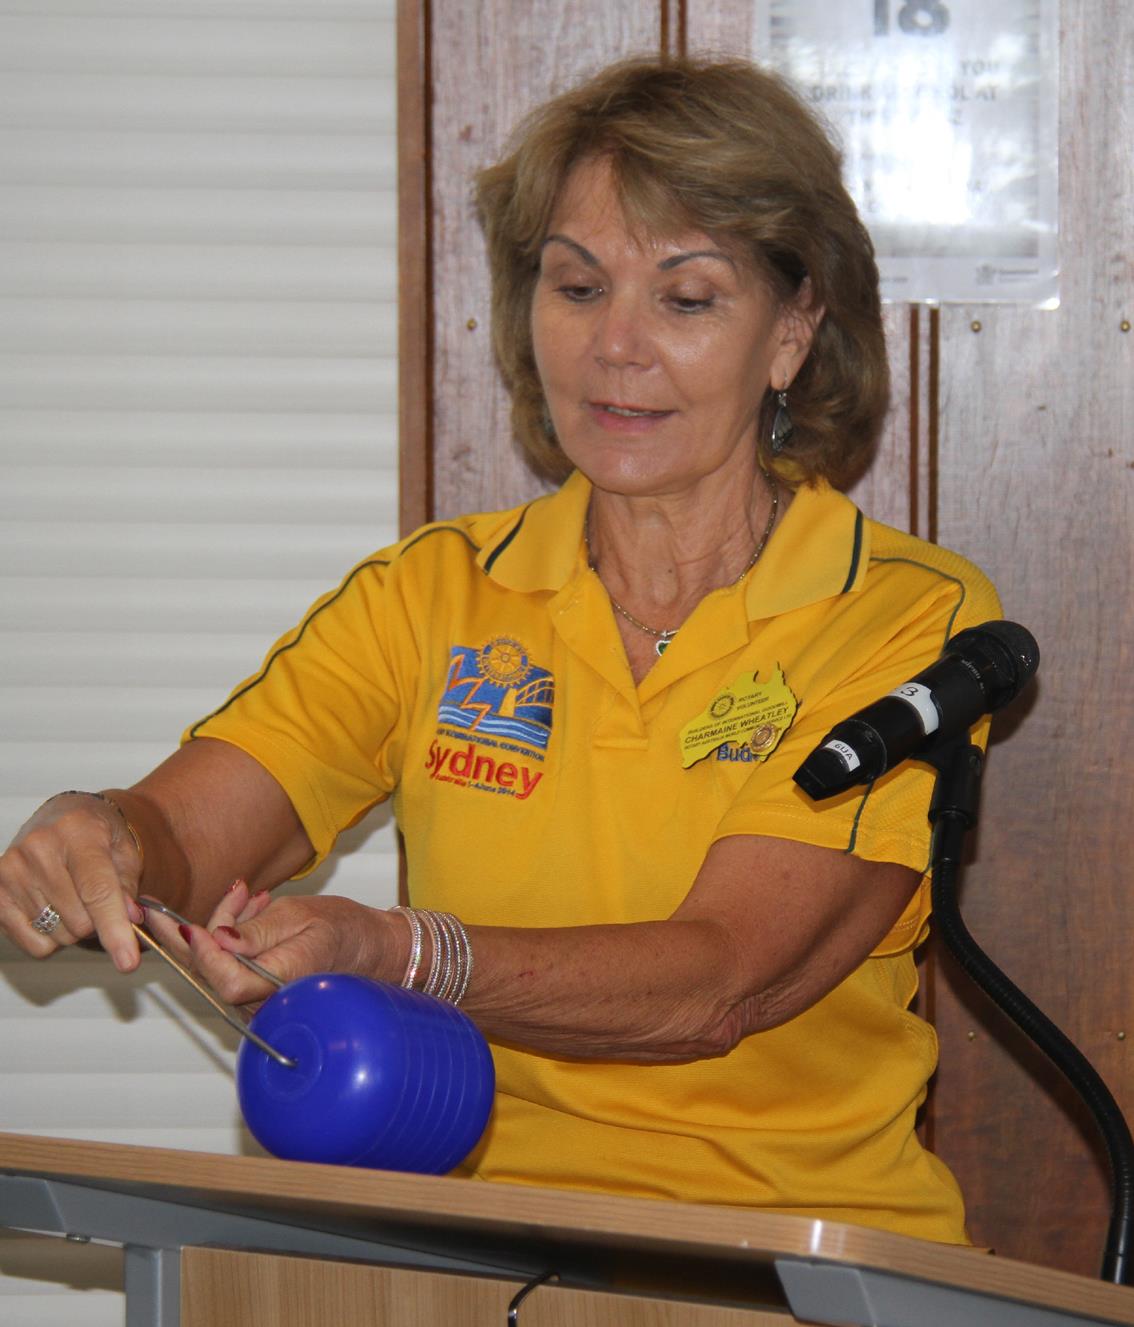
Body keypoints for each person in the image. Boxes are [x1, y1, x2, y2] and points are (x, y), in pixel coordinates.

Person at [0, 56, 1000, 1242]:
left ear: (791, 331)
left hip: (800, 1257)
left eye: (685, 300)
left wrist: (404, 952)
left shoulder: (903, 614)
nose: (615, 346)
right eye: (578, 287)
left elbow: (725, 979)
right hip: (472, 1254)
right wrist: (102, 836)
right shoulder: (432, 595)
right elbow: (187, 836)